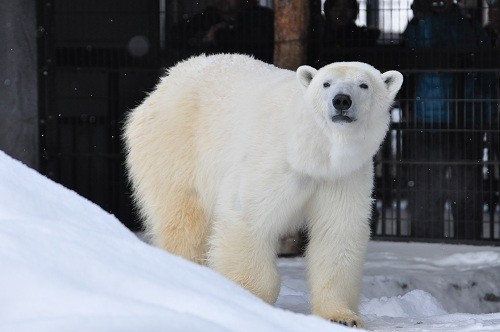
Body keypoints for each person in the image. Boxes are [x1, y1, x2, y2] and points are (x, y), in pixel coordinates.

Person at [403, 0, 497, 240]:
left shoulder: (424, 25)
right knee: (454, 186)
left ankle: (429, 239)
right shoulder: (467, 26)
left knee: (438, 184)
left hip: (446, 116)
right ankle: (462, 239)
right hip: (455, 117)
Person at [169, 0, 274, 63]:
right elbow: (175, 34)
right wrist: (204, 38)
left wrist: (218, 35)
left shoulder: (260, 16)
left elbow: (252, 46)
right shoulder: (210, 15)